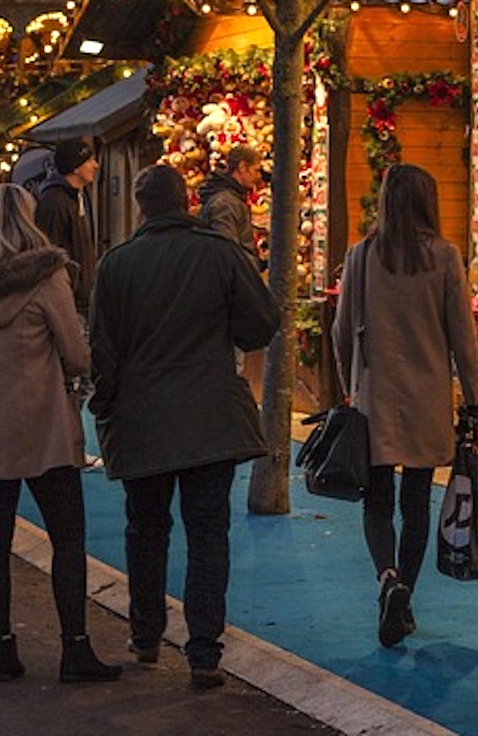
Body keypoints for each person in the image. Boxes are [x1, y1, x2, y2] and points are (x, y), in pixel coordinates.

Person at [88, 165, 279, 689]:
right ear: (186, 200)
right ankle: (204, 651)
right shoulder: (220, 254)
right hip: (210, 416)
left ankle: (146, 633)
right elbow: (262, 323)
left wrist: (105, 405)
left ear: (141, 206)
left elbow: (102, 348)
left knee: (145, 529)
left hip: (142, 418)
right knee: (208, 533)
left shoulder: (116, 265)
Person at [0, 184, 121, 682]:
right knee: (67, 537)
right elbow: (76, 354)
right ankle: (75, 649)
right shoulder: (46, 277)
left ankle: (3, 651)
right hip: (42, 425)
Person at [332, 163, 478, 648]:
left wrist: (350, 384)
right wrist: (475, 395)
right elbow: (462, 335)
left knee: (376, 501)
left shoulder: (361, 255)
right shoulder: (444, 257)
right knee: (416, 503)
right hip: (427, 396)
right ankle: (406, 597)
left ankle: (387, 578)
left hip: (374, 395)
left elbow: (341, 330)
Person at [34, 138, 98, 317]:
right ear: (75, 167)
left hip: (80, 297)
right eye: (89, 161)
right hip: (67, 301)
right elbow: (49, 250)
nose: (95, 165)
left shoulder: (76, 197)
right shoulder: (54, 203)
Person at [197, 144, 264, 271]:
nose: (258, 177)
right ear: (242, 167)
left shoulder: (230, 199)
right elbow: (227, 253)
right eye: (256, 170)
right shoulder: (226, 204)